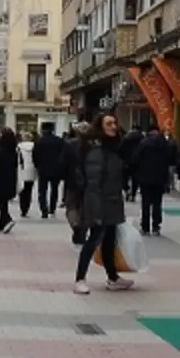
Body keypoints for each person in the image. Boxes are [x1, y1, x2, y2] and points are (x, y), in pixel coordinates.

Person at [73, 113, 134, 294]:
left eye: (115, 123)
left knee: (109, 241)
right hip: (100, 204)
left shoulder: (112, 148)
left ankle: (113, 277)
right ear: (100, 126)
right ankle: (80, 279)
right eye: (109, 123)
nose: (114, 126)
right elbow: (93, 183)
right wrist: (95, 211)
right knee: (93, 241)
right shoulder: (97, 151)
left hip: (112, 202)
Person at [131, 125, 176, 235]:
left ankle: (145, 227)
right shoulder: (165, 144)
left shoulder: (143, 143)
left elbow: (135, 158)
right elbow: (171, 159)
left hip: (145, 177)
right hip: (160, 177)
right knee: (157, 202)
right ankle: (156, 226)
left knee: (145, 202)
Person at [62, 122, 90, 245]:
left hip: (72, 180)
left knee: (71, 206)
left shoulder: (69, 144)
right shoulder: (93, 145)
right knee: (85, 207)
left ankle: (75, 225)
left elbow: (62, 162)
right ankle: (82, 229)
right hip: (89, 180)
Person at [0, 128, 19, 233]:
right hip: (11, 177)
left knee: (0, 200)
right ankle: (1, 224)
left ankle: (7, 218)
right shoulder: (14, 150)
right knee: (4, 200)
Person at [32, 124, 67, 218]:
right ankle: (52, 208)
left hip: (43, 169)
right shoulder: (59, 141)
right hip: (56, 169)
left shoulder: (39, 141)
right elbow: (63, 155)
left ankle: (44, 210)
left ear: (43, 130)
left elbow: (35, 155)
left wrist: (37, 166)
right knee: (54, 190)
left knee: (42, 191)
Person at [119, 124, 144, 201]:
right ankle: (133, 194)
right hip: (138, 162)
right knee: (135, 179)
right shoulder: (142, 138)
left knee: (124, 177)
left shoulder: (126, 137)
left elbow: (120, 149)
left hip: (126, 162)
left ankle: (126, 190)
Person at [16, 131, 37, 217]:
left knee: (22, 190)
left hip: (22, 170)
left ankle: (22, 208)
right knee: (29, 190)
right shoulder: (35, 146)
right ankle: (27, 207)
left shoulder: (19, 147)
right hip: (32, 170)